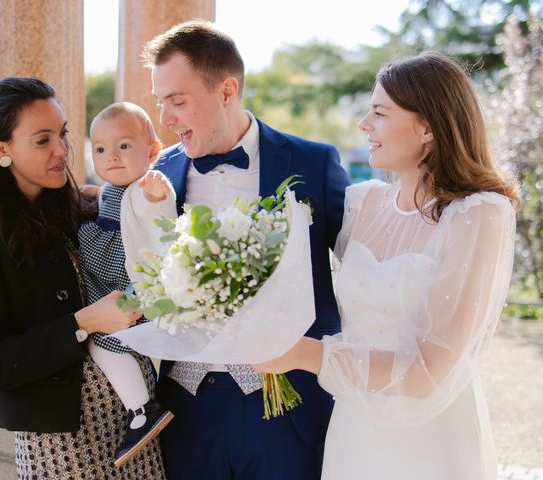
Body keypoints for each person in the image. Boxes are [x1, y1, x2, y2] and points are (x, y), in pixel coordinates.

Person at [255, 52, 519, 480]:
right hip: (355, 427)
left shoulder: (478, 214)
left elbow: (429, 373)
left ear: (428, 127)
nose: (364, 125)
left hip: (432, 437)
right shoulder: (362, 203)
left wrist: (307, 354)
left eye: (379, 113)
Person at [142, 20, 351, 479]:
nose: (166, 118)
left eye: (177, 101)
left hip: (287, 408)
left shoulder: (313, 164)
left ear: (226, 90)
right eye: (161, 103)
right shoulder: (160, 175)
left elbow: (362, 273)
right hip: (187, 410)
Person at [0, 77, 166, 479]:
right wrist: (81, 324)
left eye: (62, 133)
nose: (63, 150)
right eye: (42, 140)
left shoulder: (73, 207)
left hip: (139, 428)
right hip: (62, 446)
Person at [80, 102, 175, 466]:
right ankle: (141, 407)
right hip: (106, 268)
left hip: (127, 277)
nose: (111, 157)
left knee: (103, 343)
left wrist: (155, 193)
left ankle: (142, 411)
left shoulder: (146, 185)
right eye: (101, 149)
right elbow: (110, 202)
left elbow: (159, 211)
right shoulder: (112, 187)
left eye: (124, 146)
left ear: (152, 151)